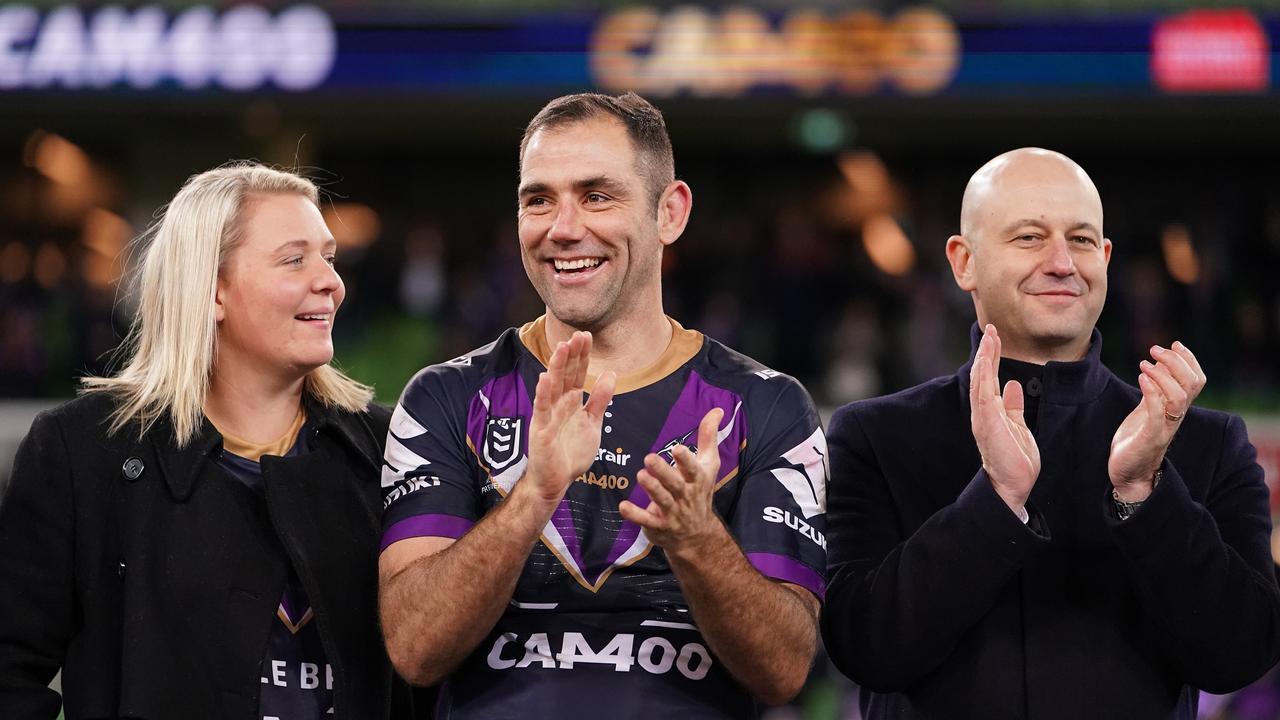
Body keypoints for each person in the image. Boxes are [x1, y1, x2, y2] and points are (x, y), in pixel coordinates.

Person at [378, 92, 828, 718]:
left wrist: (698, 540)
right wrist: (533, 495)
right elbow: (415, 648)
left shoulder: (765, 405)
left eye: (596, 195)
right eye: (539, 199)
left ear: (670, 212)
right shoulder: (447, 397)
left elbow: (784, 669)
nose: (563, 228)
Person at [821, 147, 1280, 719]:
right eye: (1030, 237)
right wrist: (994, 501)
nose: (1062, 262)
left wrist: (1145, 493)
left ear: (1106, 259)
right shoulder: (874, 436)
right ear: (964, 262)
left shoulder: (1206, 443)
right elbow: (865, 648)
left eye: (1082, 240)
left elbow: (1240, 654)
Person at [0, 163, 415, 719]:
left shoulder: (391, 449)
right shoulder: (81, 452)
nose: (330, 282)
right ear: (212, 289)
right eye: (295, 259)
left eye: (329, 258)